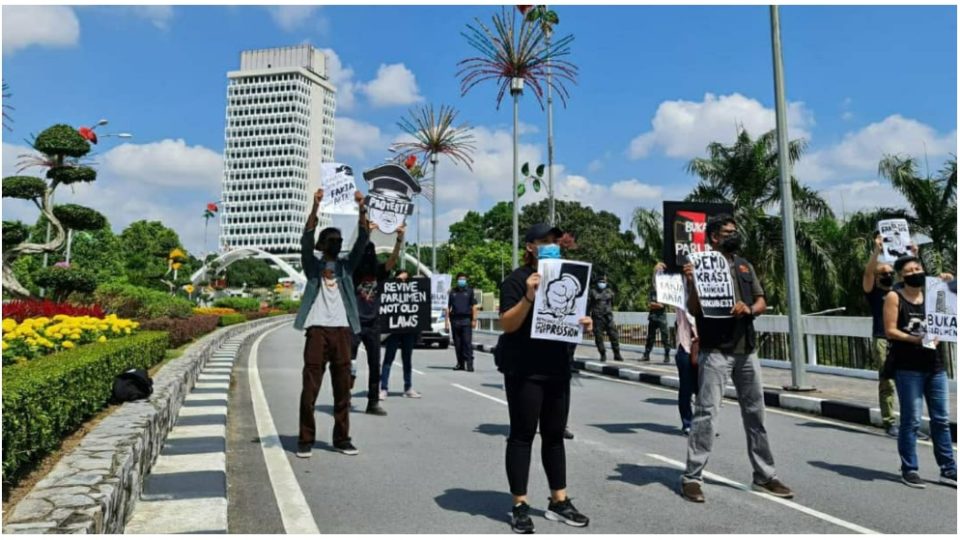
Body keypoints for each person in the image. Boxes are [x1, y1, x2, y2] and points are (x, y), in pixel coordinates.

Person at [679, 214, 792, 503]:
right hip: (715, 350)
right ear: (714, 237)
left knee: (756, 414)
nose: (734, 235)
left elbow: (761, 300)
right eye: (728, 232)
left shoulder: (744, 265)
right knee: (706, 413)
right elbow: (693, 309)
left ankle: (765, 475)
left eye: (734, 231)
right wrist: (692, 284)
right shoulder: (700, 265)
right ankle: (692, 477)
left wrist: (750, 309)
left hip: (746, 350)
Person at [498, 223, 593, 534]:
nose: (551, 245)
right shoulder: (516, 280)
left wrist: (585, 324)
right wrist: (529, 295)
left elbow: (572, 320)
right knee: (523, 435)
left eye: (554, 241)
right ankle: (520, 504)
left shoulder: (572, 279)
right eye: (543, 241)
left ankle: (559, 500)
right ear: (530, 247)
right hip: (524, 370)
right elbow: (507, 325)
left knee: (554, 436)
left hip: (557, 369)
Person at [294, 189, 368, 458]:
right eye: (332, 240)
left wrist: (361, 209)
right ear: (323, 245)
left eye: (338, 240)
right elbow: (305, 240)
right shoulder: (312, 267)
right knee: (310, 387)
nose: (336, 243)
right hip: (316, 330)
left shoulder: (347, 269)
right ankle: (305, 439)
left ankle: (342, 438)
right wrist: (315, 206)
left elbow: (362, 241)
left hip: (342, 331)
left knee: (342, 388)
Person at [883, 255, 957, 489]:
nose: (916, 271)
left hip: (934, 366)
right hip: (908, 368)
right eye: (910, 270)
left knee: (941, 420)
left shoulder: (934, 293)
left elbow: (950, 311)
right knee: (912, 420)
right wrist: (915, 339)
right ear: (900, 276)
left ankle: (948, 468)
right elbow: (890, 331)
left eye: (918, 267)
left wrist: (949, 283)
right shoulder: (895, 297)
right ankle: (909, 468)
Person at [351, 222, 406, 416]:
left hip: (373, 323)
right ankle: (344, 396)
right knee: (348, 363)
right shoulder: (353, 272)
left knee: (375, 365)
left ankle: (372, 402)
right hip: (354, 322)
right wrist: (367, 233)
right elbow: (356, 252)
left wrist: (399, 239)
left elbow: (392, 259)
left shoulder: (378, 272)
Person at [654, 262, 699, 435]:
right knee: (686, 388)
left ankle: (705, 422)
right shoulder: (679, 295)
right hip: (685, 345)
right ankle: (687, 422)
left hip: (706, 345)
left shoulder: (705, 293)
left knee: (705, 389)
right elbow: (662, 291)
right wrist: (658, 272)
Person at [380, 270, 422, 399]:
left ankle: (408, 387)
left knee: (407, 360)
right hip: (393, 331)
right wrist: (396, 280)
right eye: (400, 279)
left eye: (405, 279)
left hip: (408, 330)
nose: (403, 282)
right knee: (388, 359)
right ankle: (383, 388)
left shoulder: (413, 293)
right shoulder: (390, 291)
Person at [447, 272, 479, 371]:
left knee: (467, 343)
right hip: (455, 320)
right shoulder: (452, 292)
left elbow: (474, 306)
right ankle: (460, 363)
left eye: (463, 279)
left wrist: (474, 320)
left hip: (466, 320)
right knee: (458, 343)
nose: (462, 281)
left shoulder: (469, 291)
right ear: (457, 280)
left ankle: (469, 364)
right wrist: (446, 322)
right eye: (460, 279)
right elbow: (448, 307)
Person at [588, 276, 622, 362]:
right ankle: (603, 354)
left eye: (604, 282)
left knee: (614, 336)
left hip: (608, 317)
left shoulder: (609, 292)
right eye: (600, 281)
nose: (602, 283)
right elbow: (589, 305)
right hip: (597, 318)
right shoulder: (593, 292)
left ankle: (617, 354)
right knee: (599, 338)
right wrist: (588, 316)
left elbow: (612, 303)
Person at [643, 281, 670, 363]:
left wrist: (654, 305)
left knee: (664, 337)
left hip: (661, 318)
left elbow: (662, 305)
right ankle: (646, 355)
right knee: (650, 337)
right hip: (653, 317)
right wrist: (657, 305)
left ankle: (667, 355)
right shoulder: (652, 293)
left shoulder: (664, 293)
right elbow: (649, 304)